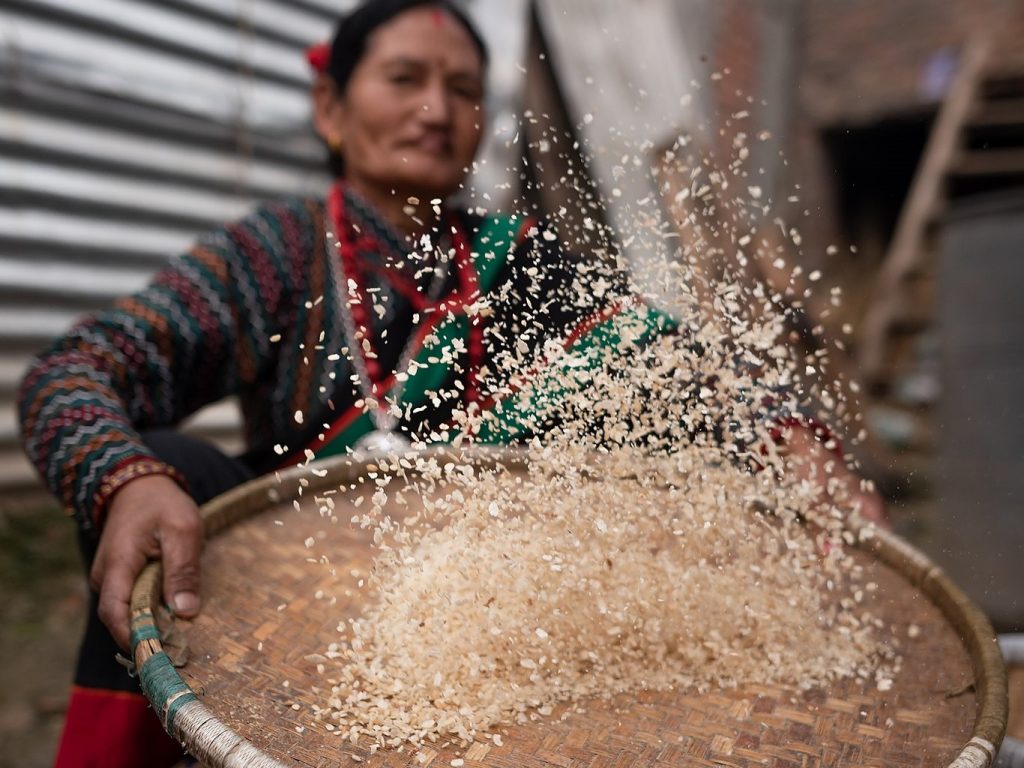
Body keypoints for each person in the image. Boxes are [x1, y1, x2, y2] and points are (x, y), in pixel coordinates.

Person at [17, 1, 884, 765]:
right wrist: (126, 478)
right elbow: (75, 370)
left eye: (463, 90)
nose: (436, 110)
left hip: (475, 614)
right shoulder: (276, 253)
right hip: (291, 600)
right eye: (404, 79)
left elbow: (670, 366)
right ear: (331, 107)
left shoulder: (524, 265)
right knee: (178, 470)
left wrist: (786, 431)